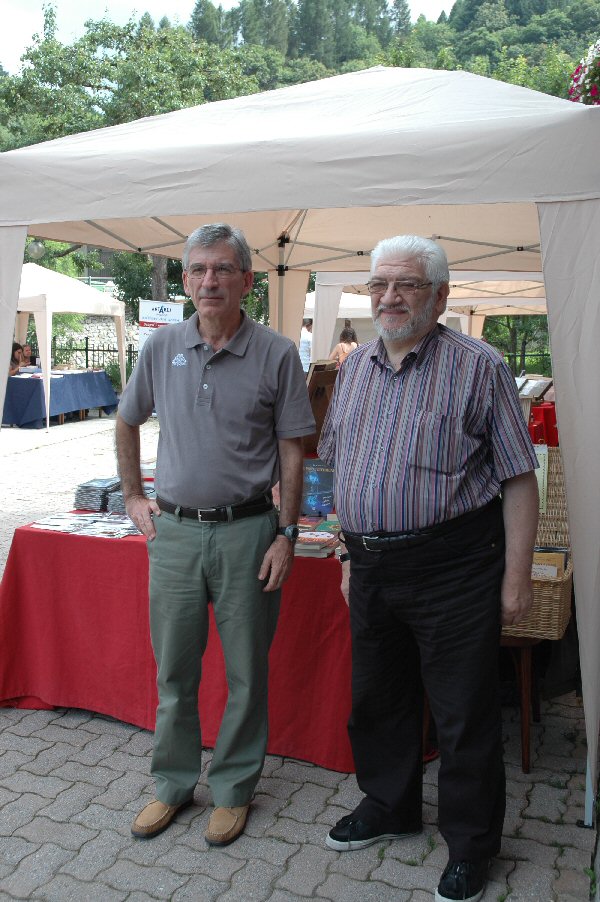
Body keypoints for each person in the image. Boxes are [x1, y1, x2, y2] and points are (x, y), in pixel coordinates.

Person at [317, 235, 539, 902]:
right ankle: (390, 807)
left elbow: (519, 480)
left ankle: (472, 845)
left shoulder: (480, 366)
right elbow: (342, 464)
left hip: (455, 567)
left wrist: (517, 577)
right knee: (378, 698)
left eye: (407, 284)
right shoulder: (353, 367)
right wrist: (346, 550)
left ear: (438, 296)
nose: (389, 296)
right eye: (380, 282)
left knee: (462, 713)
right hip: (372, 566)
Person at [116, 223, 315, 846]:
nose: (209, 280)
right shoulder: (160, 348)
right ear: (185, 281)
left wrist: (287, 533)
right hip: (173, 534)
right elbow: (125, 422)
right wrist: (132, 496)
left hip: (248, 532)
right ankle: (172, 784)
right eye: (199, 270)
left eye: (223, 269)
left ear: (248, 282)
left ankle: (232, 789)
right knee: (173, 671)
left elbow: (292, 449)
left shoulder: (277, 353)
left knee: (246, 673)